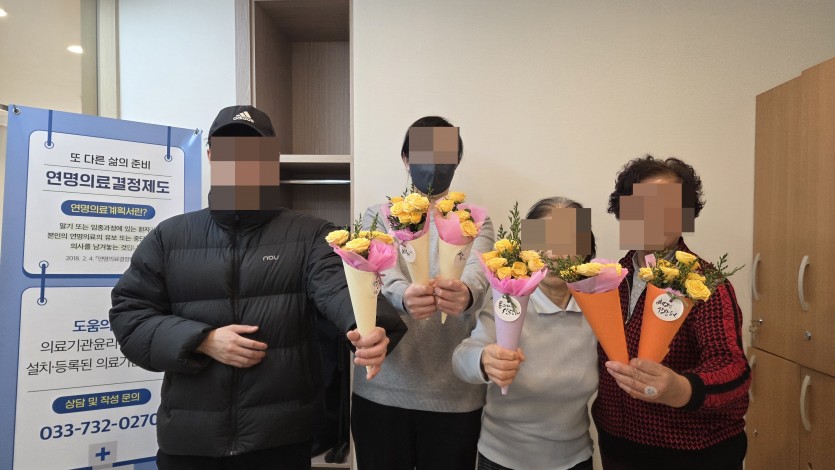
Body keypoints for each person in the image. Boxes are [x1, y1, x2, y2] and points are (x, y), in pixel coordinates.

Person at [109, 105, 406, 470]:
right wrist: (201, 340)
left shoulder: (311, 234)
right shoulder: (169, 237)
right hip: (191, 441)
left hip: (280, 440)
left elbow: (339, 287)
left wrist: (368, 326)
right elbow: (130, 317)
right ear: (211, 155)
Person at [350, 116, 493, 470]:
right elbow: (377, 272)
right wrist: (403, 294)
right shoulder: (377, 215)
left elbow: (479, 275)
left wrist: (464, 293)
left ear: (457, 161)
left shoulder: (476, 219)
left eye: (444, 154)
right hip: (382, 390)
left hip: (454, 395)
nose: (434, 164)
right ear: (405, 159)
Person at [593, 155, 749, 470]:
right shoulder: (609, 279)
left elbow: (733, 369)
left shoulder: (705, 283)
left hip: (694, 454)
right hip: (617, 448)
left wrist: (682, 389)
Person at [452, 196, 598, 470]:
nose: (553, 254)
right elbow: (462, 358)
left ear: (585, 251)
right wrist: (484, 360)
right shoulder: (510, 302)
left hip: (575, 458)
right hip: (502, 458)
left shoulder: (598, 310)